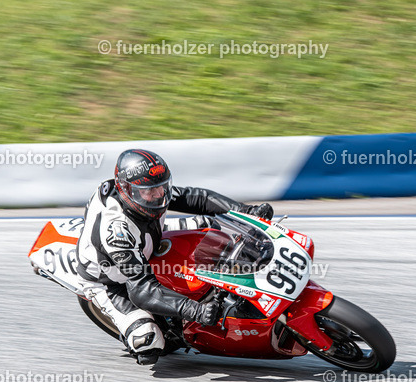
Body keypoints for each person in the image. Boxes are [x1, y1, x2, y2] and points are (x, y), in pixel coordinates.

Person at [76, 149, 274, 365]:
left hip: (146, 239)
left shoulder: (144, 192)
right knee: (148, 341)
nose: (158, 195)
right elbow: (141, 290)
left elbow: (195, 198)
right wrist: (197, 311)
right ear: (127, 191)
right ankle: (136, 334)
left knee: (211, 227)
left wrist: (245, 211)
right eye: (149, 191)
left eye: (161, 187)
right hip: (112, 281)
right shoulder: (117, 233)